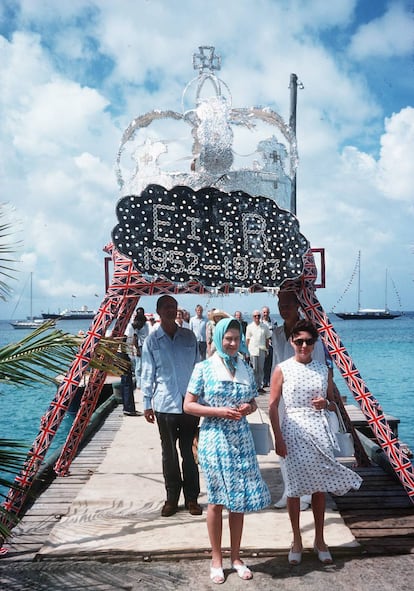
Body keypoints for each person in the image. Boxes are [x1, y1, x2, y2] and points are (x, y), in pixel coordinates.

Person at [184, 317, 271, 584]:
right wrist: (219, 411)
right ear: (219, 338)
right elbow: (188, 405)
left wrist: (248, 408)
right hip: (215, 438)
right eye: (228, 338)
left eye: (237, 338)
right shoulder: (204, 367)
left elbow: (253, 402)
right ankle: (216, 559)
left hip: (241, 439)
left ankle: (236, 557)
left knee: (239, 500)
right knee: (216, 500)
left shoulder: (244, 366)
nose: (233, 343)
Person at [269, 319, 362, 566]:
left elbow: (333, 403)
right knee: (294, 488)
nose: (304, 346)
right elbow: (272, 405)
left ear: (315, 343)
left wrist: (326, 405)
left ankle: (320, 539)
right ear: (291, 341)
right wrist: (277, 437)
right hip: (292, 430)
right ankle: (296, 539)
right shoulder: (282, 368)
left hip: (319, 431)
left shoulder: (323, 369)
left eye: (309, 341)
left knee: (319, 487)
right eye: (299, 341)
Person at [141, 295, 202, 517]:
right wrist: (146, 402)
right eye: (166, 307)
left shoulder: (189, 336)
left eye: (173, 307)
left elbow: (198, 367)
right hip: (165, 403)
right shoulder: (152, 340)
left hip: (189, 404)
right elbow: (147, 372)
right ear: (158, 311)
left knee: (189, 452)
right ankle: (172, 498)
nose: (170, 310)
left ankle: (192, 498)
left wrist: (201, 398)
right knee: (169, 454)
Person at [272, 289, 330, 511]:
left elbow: (318, 362)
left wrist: (321, 396)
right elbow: (276, 363)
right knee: (284, 447)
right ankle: (290, 491)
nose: (284, 308)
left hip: (305, 393)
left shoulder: (308, 332)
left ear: (297, 305)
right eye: (281, 304)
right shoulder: (277, 333)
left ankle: (306, 494)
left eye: (287, 304)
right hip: (283, 391)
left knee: (308, 447)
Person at [245, 310, 271, 393]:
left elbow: (267, 339)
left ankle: (260, 386)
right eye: (255, 316)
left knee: (261, 369)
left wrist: (267, 350)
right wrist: (246, 352)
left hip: (262, 350)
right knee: (254, 369)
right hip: (252, 350)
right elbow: (247, 340)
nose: (257, 317)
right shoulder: (249, 327)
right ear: (253, 317)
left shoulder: (265, 326)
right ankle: (254, 386)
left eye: (258, 316)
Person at [261, 306, 275, 387]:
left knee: (270, 363)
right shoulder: (259, 322)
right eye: (264, 312)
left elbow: (276, 332)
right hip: (262, 345)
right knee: (263, 364)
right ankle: (263, 381)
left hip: (271, 345)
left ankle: (270, 380)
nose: (265, 314)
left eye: (267, 312)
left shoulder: (273, 322)